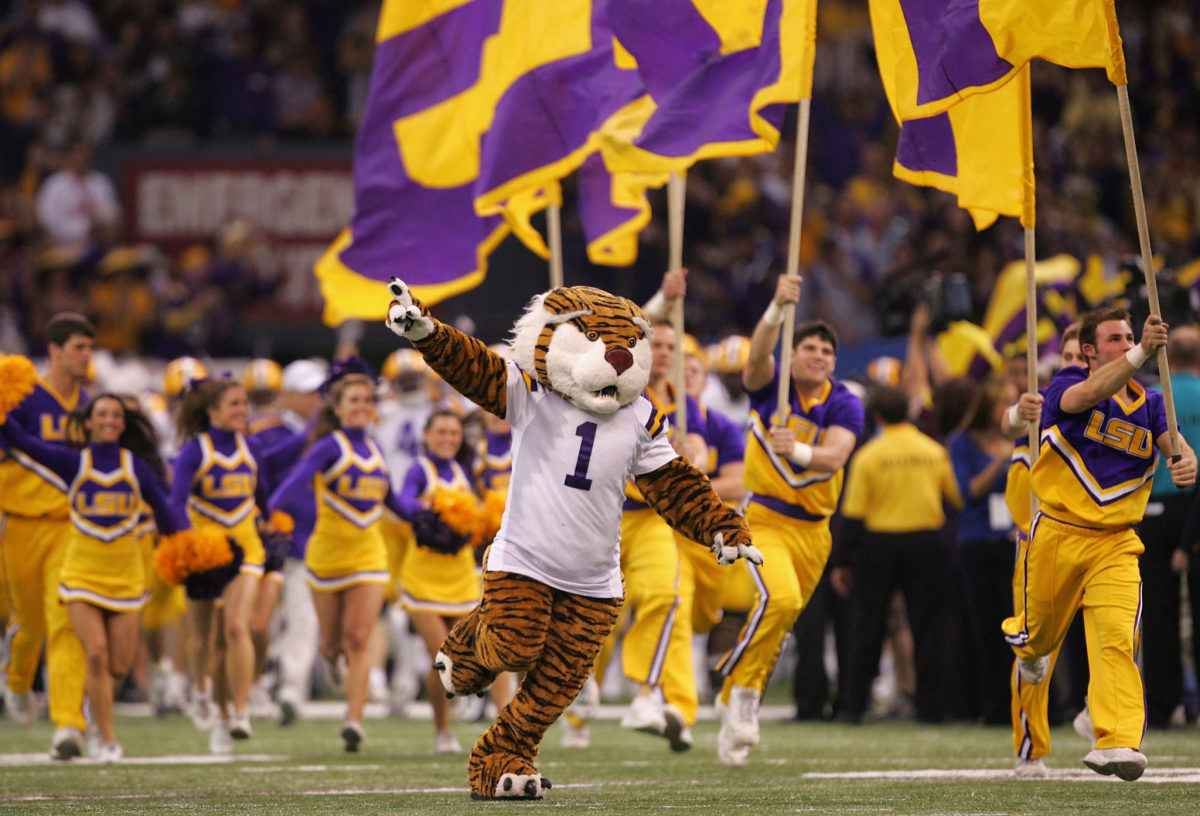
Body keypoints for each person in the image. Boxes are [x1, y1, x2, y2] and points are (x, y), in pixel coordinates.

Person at [1002, 307, 1197, 781]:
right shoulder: (1067, 383)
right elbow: (1089, 393)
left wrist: (1187, 461)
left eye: (1130, 335)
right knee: (1039, 640)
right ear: (1089, 350)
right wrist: (1141, 349)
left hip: (1116, 542)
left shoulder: (1152, 402)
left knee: (1117, 639)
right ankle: (1027, 648)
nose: (1127, 342)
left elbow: (1175, 443)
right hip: (1058, 535)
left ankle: (1117, 741)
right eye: (1115, 338)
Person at [714, 274, 863, 767]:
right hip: (765, 519)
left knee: (782, 620)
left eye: (826, 350)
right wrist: (777, 309)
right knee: (782, 600)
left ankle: (735, 692)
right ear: (793, 354)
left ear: (834, 363)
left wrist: (797, 448)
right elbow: (756, 359)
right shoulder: (771, 389)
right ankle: (742, 695)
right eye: (809, 348)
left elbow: (836, 456)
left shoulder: (843, 401)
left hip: (815, 530)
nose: (818, 356)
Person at [0, 387, 185, 762]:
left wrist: (195, 550)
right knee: (96, 655)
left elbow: (167, 516)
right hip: (80, 572)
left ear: (123, 423)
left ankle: (95, 715)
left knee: (117, 664)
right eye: (101, 414)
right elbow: (23, 444)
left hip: (125, 576)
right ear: (87, 423)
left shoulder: (137, 467)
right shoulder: (73, 463)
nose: (109, 421)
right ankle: (104, 735)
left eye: (116, 415)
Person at [269, 363, 402, 752]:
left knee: (359, 638)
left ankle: (354, 720)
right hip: (326, 558)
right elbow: (292, 486)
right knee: (332, 645)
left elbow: (394, 502)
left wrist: (432, 513)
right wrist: (274, 515)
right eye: (354, 400)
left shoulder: (375, 449)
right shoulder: (328, 445)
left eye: (368, 400)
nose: (363, 406)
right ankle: (331, 663)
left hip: (369, 558)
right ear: (338, 408)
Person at [835, 385, 962, 724]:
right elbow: (955, 497)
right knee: (927, 627)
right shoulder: (933, 451)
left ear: (875, 415)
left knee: (868, 626)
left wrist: (844, 560)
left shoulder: (868, 456)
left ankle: (854, 705)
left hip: (880, 543)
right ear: (907, 410)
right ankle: (930, 707)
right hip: (926, 542)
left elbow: (853, 514)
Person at [0, 313, 92, 759]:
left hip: (69, 527)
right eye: (79, 347)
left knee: (65, 621)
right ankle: (16, 680)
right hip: (18, 522)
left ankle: (69, 724)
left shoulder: (90, 403)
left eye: (90, 348)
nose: (87, 356)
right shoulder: (23, 397)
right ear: (54, 351)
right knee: (30, 623)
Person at [394, 409, 513, 754]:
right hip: (423, 577)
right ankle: (443, 730)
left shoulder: (465, 470)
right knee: (444, 656)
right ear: (427, 435)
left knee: (491, 646)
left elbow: (480, 511)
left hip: (461, 575)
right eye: (441, 432)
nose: (448, 438)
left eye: (453, 433)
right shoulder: (421, 470)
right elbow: (402, 500)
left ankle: (505, 722)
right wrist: (429, 509)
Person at [1002, 323, 1087, 778]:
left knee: (1119, 630)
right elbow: (1006, 424)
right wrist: (1020, 411)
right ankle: (1030, 747)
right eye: (1068, 355)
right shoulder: (1044, 404)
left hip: (1093, 537)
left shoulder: (1114, 405)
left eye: (1081, 357)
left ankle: (1103, 710)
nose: (1073, 364)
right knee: (1034, 650)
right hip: (1038, 541)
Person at [171, 377, 271, 753]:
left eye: (244, 404)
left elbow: (262, 497)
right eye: (234, 404)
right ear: (212, 411)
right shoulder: (193, 452)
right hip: (205, 551)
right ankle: (206, 696)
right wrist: (189, 544)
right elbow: (176, 503)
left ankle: (238, 713)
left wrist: (274, 523)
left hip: (246, 549)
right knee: (202, 640)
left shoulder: (253, 447)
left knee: (235, 626)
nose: (242, 410)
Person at [1138, 325, 1200, 729]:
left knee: (1157, 616)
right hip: (1195, 506)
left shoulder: (1155, 397)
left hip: (1154, 510)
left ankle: (1162, 707)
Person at [258, 359, 325, 726]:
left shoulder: (331, 435)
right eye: (309, 392)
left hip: (311, 539)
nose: (317, 398)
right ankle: (258, 682)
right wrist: (310, 435)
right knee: (260, 622)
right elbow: (261, 468)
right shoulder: (266, 432)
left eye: (320, 391)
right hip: (269, 540)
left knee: (304, 618)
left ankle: (291, 688)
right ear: (288, 395)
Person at [948, 377, 1018, 725]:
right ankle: (992, 706)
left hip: (1014, 543)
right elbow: (968, 492)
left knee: (1020, 627)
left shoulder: (1024, 440)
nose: (1009, 406)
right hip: (977, 543)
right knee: (986, 626)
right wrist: (997, 462)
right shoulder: (963, 443)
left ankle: (1030, 705)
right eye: (1002, 400)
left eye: (1012, 399)